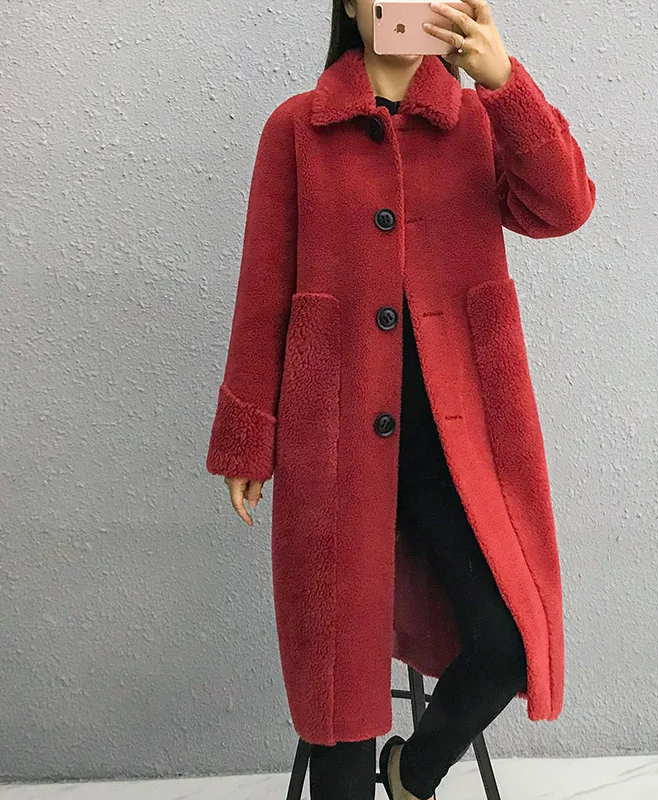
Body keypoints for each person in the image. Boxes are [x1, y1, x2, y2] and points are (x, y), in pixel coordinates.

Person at [206, 0, 596, 797]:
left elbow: (564, 207)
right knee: (338, 690)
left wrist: (505, 82)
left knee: (507, 640)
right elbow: (262, 293)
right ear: (351, 2)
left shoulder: (478, 122)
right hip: (334, 444)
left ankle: (411, 773)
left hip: (457, 448)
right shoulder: (296, 130)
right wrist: (250, 435)